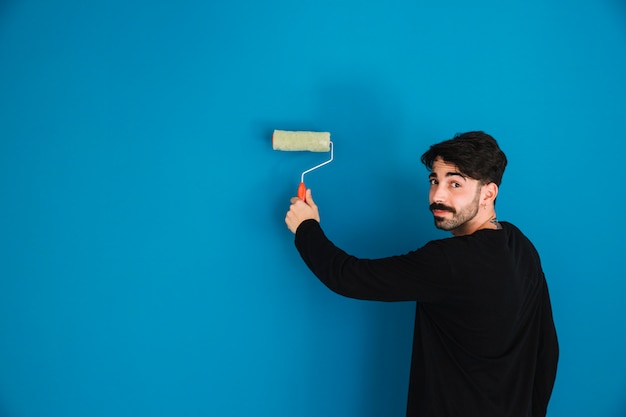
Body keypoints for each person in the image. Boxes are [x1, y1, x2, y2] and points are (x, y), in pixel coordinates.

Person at [284, 131, 559, 417]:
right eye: (434, 181)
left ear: (488, 192)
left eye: (455, 184)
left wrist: (306, 228)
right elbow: (548, 350)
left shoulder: (448, 261)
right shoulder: (521, 244)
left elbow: (347, 276)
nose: (437, 195)